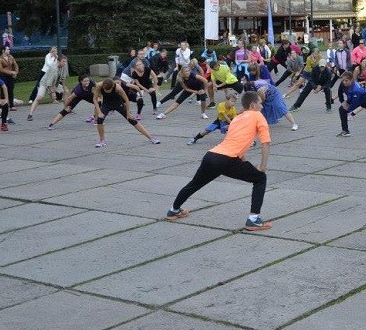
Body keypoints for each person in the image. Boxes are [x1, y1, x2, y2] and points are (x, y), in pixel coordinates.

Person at [165, 91, 272, 231]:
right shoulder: (257, 115)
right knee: (260, 178)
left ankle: (174, 210)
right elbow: (265, 143)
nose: (262, 106)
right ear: (253, 105)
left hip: (212, 155)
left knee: (194, 184)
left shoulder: (237, 118)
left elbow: (234, 141)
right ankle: (253, 220)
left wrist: (244, 162)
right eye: (260, 103)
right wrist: (263, 166)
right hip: (227, 159)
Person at [92, 78, 160, 147]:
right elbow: (95, 99)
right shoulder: (99, 86)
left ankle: (151, 138)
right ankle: (102, 140)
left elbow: (127, 100)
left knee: (132, 120)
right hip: (106, 104)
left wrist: (128, 113)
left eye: (109, 90)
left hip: (118, 103)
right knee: (99, 120)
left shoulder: (118, 88)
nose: (107, 92)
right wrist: (99, 112)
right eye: (105, 90)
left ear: (112, 86)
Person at [27, 53, 63, 121]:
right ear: (58, 61)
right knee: (39, 98)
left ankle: (67, 109)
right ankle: (30, 114)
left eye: (65, 61)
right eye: (63, 61)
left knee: (65, 91)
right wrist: (53, 93)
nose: (65, 63)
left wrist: (60, 86)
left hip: (53, 84)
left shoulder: (61, 67)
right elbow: (48, 84)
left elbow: (58, 78)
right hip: (45, 84)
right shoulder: (53, 68)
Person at [0, 46, 19, 110]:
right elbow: (1, 69)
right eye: (7, 49)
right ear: (3, 51)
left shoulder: (11, 57)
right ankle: (3, 105)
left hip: (10, 76)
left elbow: (15, 64)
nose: (9, 50)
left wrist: (16, 72)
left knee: (11, 90)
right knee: (3, 90)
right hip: (2, 76)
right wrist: (11, 72)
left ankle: (12, 105)